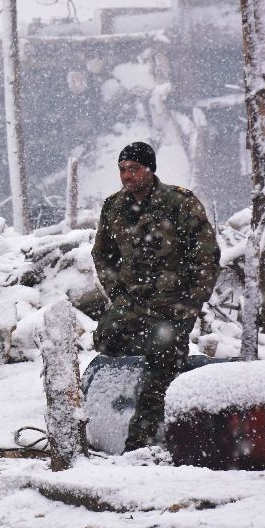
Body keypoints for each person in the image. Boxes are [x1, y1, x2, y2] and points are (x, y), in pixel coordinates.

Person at [91, 142, 220, 452]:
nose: (126, 176)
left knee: (161, 360)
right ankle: (165, 365)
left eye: (133, 169)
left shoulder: (179, 202)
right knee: (105, 341)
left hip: (173, 305)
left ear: (150, 170)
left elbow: (206, 257)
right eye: (122, 169)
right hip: (133, 305)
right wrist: (119, 295)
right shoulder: (114, 207)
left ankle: (141, 443)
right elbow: (102, 255)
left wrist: (191, 303)